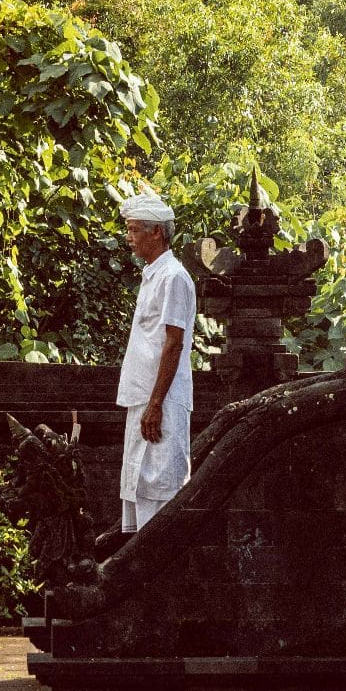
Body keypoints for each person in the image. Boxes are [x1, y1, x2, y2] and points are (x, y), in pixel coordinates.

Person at [116, 190, 195, 531]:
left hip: (162, 401)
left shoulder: (173, 276)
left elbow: (174, 343)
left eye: (134, 230)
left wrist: (157, 403)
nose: (129, 238)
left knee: (162, 491)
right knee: (139, 487)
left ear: (156, 232)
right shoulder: (153, 275)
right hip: (143, 397)